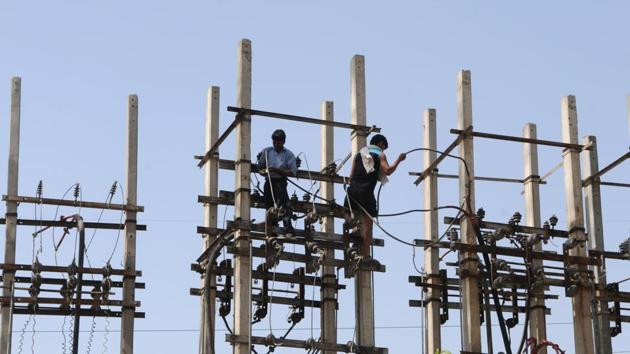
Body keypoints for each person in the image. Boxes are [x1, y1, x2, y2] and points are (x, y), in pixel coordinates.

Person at [344, 134, 406, 258]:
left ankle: (351, 225)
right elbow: (388, 170)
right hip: (366, 191)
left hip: (352, 191)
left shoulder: (359, 155)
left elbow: (350, 176)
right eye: (383, 147)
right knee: (368, 224)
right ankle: (366, 255)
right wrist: (399, 159)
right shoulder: (380, 154)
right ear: (381, 144)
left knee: (349, 213)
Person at [256, 129, 298, 237]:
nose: (275, 144)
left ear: (283, 142)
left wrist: (276, 170)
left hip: (280, 181)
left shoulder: (288, 154)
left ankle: (288, 228)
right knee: (269, 204)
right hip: (269, 180)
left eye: (278, 142)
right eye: (274, 142)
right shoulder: (267, 151)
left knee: (284, 204)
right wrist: (265, 171)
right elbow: (260, 167)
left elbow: (292, 172)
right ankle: (273, 228)